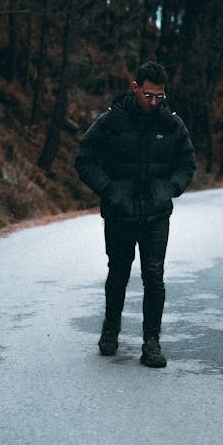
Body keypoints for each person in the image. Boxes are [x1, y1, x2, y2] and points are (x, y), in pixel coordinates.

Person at [74, 61, 196, 368]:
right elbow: (84, 159)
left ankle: (151, 343)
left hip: (156, 215)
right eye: (148, 95)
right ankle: (110, 332)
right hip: (120, 214)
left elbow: (187, 163)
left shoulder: (171, 125)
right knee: (118, 273)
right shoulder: (111, 121)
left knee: (154, 277)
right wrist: (110, 190)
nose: (154, 102)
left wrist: (170, 189)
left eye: (160, 97)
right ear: (135, 88)